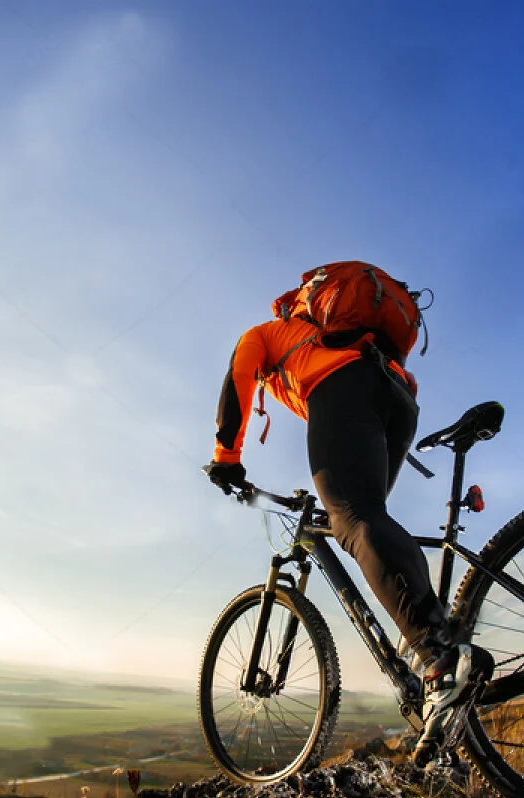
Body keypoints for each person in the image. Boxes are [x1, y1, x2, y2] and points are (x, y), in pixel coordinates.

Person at [203, 277, 478, 768]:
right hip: (397, 398)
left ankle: (441, 657)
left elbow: (237, 379)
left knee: (353, 520)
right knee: (370, 521)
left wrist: (227, 457)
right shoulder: (339, 339)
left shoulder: (268, 335)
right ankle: (438, 652)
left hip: (346, 386)